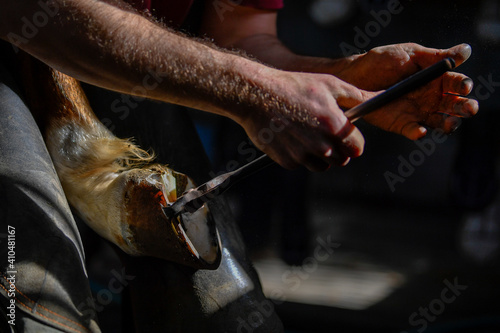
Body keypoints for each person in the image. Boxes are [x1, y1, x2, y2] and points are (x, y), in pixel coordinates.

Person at [0, 0, 478, 332]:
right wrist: (256, 91)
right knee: (35, 308)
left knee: (225, 315)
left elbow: (236, 35)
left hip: (131, 65)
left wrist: (336, 77)